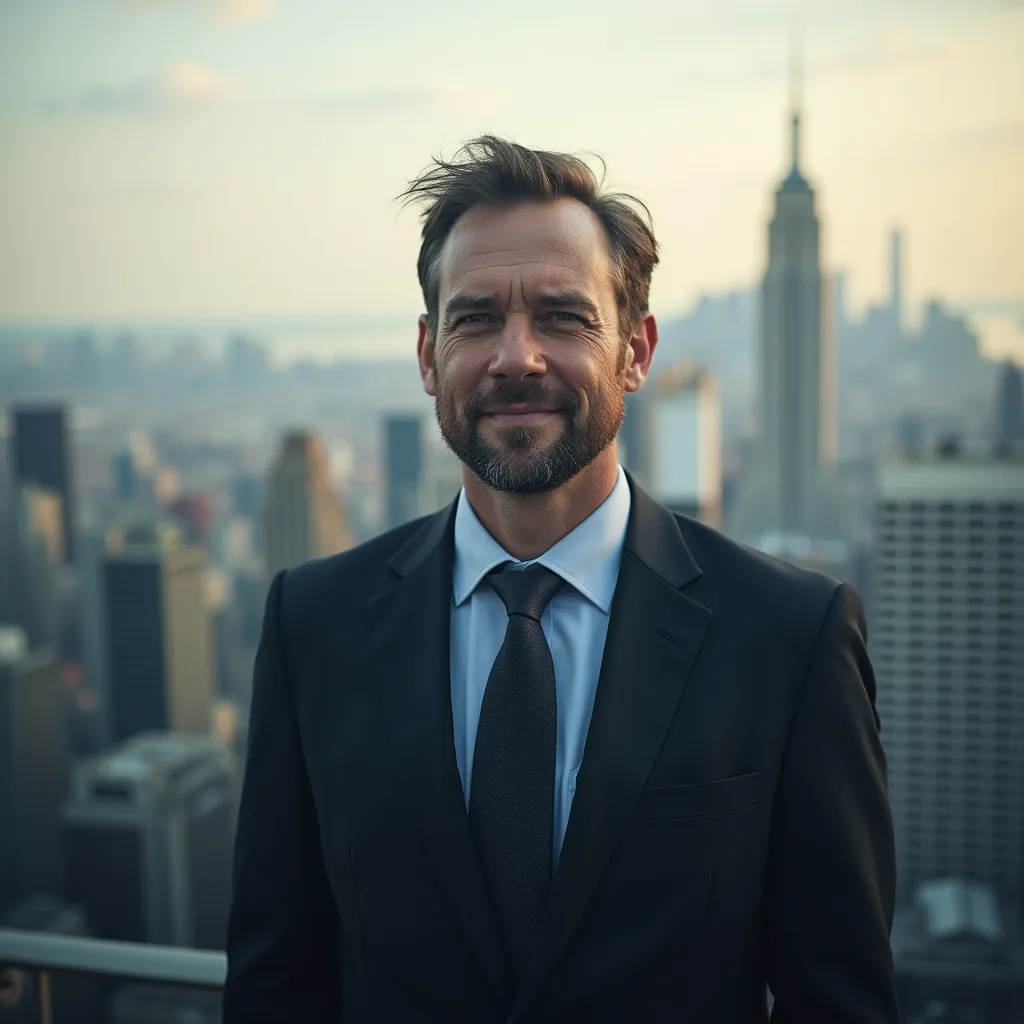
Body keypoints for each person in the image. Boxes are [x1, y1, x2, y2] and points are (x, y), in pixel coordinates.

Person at [223, 136, 897, 1023]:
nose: (516, 356)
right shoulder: (315, 623)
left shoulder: (786, 638)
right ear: (428, 357)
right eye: (475, 319)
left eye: (562, 317)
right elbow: (276, 982)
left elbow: (839, 1001)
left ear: (636, 350)